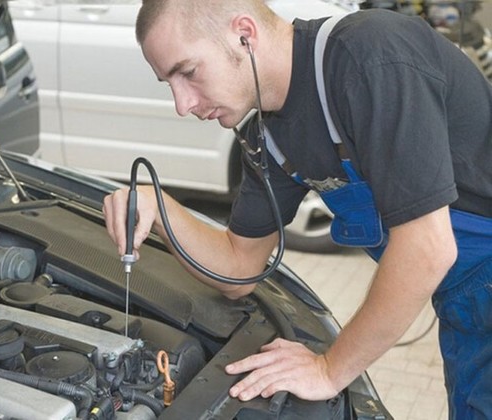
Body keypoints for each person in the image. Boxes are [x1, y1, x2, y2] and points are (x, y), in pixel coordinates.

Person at [103, 0, 492, 418]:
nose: (182, 103)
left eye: (188, 72)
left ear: (244, 33)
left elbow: (427, 249)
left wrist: (329, 369)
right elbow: (237, 269)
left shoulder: (370, 58)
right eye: (169, 83)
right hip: (465, 311)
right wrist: (158, 206)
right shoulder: (267, 139)